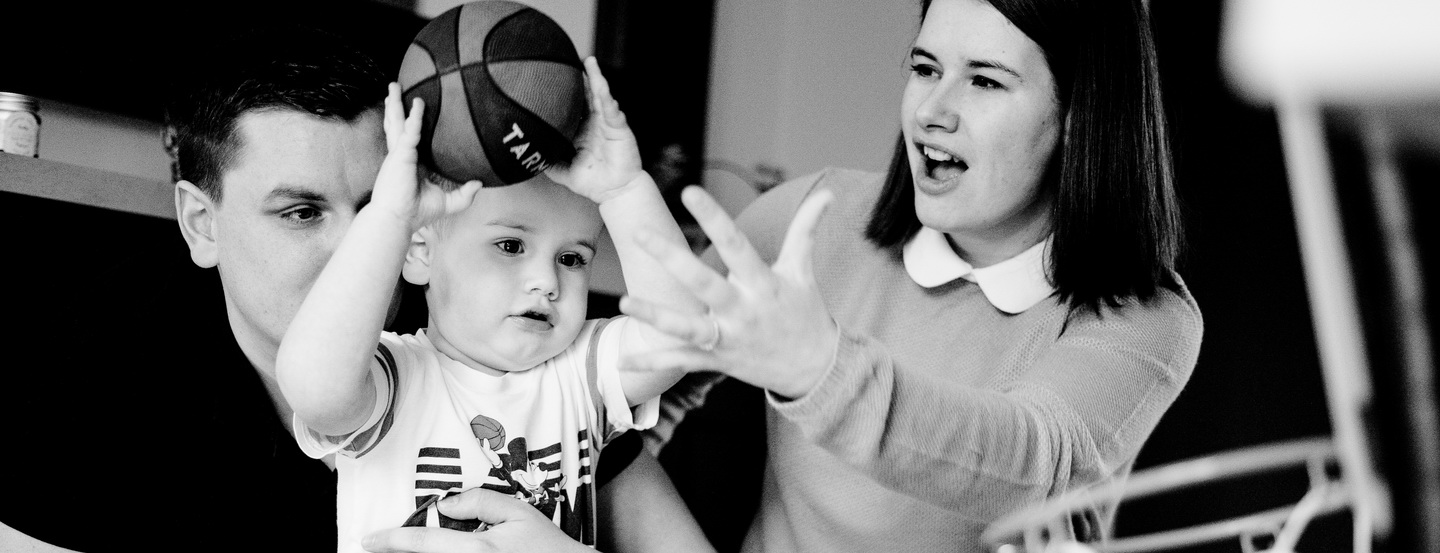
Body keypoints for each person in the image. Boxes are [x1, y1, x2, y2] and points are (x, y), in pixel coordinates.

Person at [0, 23, 708, 553]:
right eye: (302, 213)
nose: (355, 253)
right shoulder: (98, 367)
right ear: (201, 222)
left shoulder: (513, 357)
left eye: (379, 209)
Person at [624, 0, 1204, 551]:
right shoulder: (809, 219)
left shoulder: (1147, 320)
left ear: (1082, 113)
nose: (931, 111)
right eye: (926, 68)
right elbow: (615, 412)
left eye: (985, 80)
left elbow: (1034, 463)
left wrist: (821, 371)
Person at [275, 53, 702, 552]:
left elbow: (682, 335)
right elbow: (313, 386)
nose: (546, 281)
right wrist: (389, 218)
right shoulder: (396, 380)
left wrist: (626, 190)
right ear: (419, 253)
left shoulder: (579, 375)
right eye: (510, 246)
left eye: (571, 257)